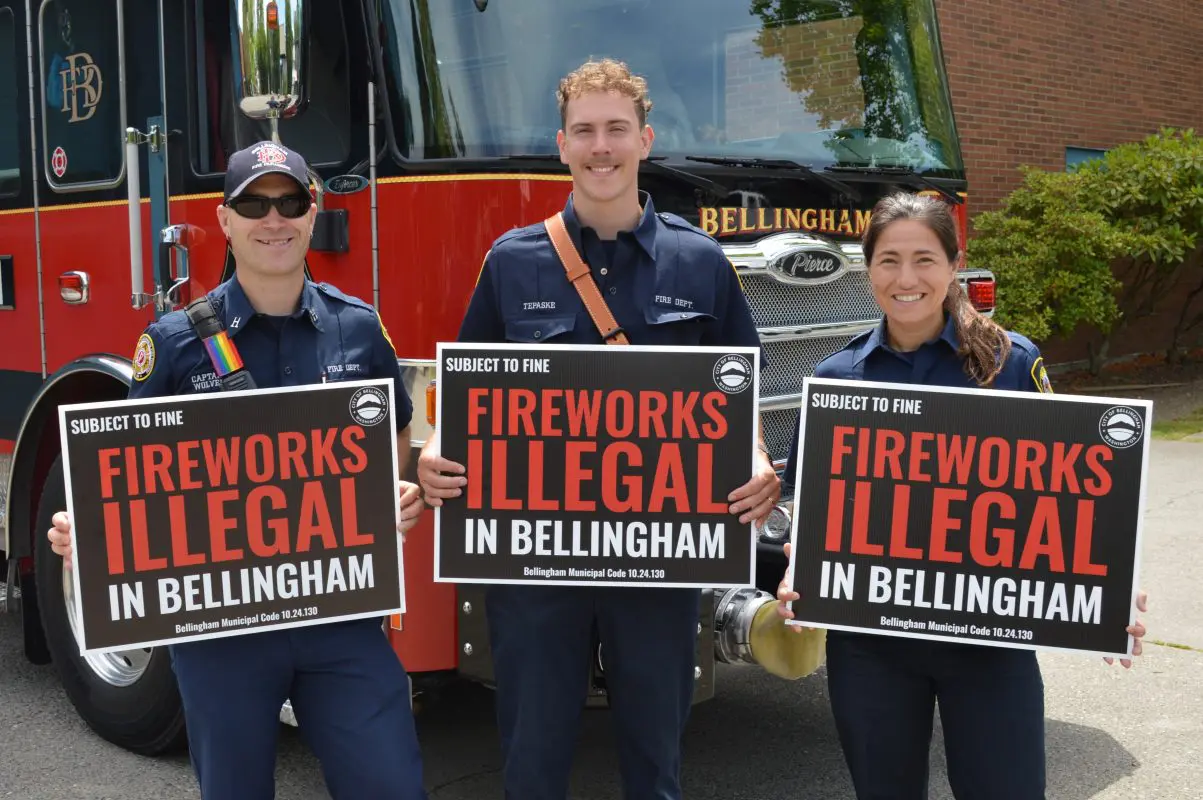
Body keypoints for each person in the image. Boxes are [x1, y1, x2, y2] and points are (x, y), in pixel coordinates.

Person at [418, 58, 779, 799]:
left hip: (658, 560)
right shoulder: (510, 263)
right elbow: (465, 405)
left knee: (655, 759)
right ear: (561, 145)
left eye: (617, 129)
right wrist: (432, 455)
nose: (601, 147)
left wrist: (758, 462)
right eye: (585, 131)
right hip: (536, 564)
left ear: (645, 140)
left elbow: (737, 403)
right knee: (533, 757)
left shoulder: (701, 262)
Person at [47, 141, 428, 800]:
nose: (273, 219)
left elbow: (390, 436)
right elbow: (128, 472)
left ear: (313, 215)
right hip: (221, 632)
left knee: (391, 786)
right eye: (254, 203)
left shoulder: (358, 330)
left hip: (339, 623)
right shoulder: (172, 343)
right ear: (224, 220)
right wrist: (91, 534)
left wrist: (392, 493)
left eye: (290, 202)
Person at [774, 191, 1150, 800]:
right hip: (872, 648)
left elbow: (1066, 495)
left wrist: (1103, 588)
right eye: (888, 260)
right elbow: (811, 515)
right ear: (867, 270)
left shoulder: (1009, 362)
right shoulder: (836, 380)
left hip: (988, 641)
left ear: (953, 265)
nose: (906, 278)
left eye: (924, 259)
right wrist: (799, 570)